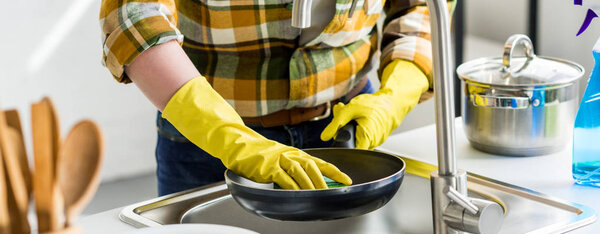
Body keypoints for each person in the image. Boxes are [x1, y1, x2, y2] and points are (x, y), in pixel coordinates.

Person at [100, 0, 455, 195]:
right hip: (207, 142)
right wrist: (232, 140)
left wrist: (395, 96)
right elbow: (134, 19)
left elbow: (419, 5)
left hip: (345, 130)